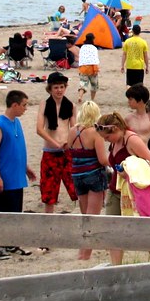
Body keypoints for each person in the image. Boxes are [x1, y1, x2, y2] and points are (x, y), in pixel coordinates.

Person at [97, 111, 150, 265]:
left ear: (116, 128)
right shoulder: (115, 141)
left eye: (107, 137)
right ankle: (116, 267)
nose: (106, 140)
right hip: (115, 189)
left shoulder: (132, 140)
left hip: (134, 192)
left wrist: (128, 171)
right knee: (112, 229)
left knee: (145, 230)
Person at [0, 89, 37, 258]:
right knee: (0, 213)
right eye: (24, 105)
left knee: (15, 212)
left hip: (16, 177)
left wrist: (25, 168)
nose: (25, 108)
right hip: (3, 178)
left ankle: (11, 243)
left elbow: (16, 150)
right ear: (14, 105)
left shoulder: (17, 122)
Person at [65, 101, 110, 260]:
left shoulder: (72, 131)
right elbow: (103, 159)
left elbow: (68, 151)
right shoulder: (95, 133)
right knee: (93, 216)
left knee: (85, 215)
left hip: (77, 174)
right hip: (94, 174)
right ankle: (85, 254)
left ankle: (82, 252)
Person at [35, 72, 77, 214]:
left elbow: (74, 128)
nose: (59, 90)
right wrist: (54, 142)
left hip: (66, 151)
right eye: (56, 88)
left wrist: (68, 143)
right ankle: (49, 220)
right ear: (50, 89)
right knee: (49, 192)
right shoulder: (45, 104)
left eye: (61, 87)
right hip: (50, 152)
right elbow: (39, 129)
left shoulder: (70, 105)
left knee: (75, 188)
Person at [77, 32, 100, 104]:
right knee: (94, 85)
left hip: (83, 68)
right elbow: (94, 59)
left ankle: (80, 97)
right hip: (92, 68)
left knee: (83, 84)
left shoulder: (82, 47)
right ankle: (92, 99)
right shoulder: (94, 48)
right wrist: (96, 69)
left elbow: (81, 58)